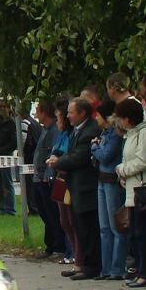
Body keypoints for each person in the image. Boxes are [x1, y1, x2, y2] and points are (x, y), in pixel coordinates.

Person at [49, 98, 102, 280]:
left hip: (85, 186)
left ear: (82, 113)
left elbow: (79, 157)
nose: (68, 116)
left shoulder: (90, 131)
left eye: (72, 112)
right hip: (75, 186)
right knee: (78, 226)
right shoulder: (77, 131)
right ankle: (82, 264)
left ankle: (91, 266)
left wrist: (58, 162)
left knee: (88, 228)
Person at [114, 98, 146, 286]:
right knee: (134, 234)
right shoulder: (131, 134)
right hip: (132, 189)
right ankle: (139, 270)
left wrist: (122, 170)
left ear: (128, 118)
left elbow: (144, 159)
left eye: (121, 118)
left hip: (143, 188)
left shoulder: (145, 132)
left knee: (143, 234)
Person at [91, 100, 124, 280]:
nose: (96, 118)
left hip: (112, 181)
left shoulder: (114, 135)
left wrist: (95, 146)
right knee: (104, 228)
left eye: (98, 115)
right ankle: (106, 268)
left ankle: (117, 268)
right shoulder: (104, 133)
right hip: (102, 180)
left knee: (115, 227)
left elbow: (105, 155)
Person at [30, 101, 66, 258]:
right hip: (39, 177)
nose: (36, 114)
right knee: (44, 213)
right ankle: (50, 244)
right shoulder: (44, 129)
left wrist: (49, 174)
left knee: (52, 213)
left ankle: (58, 245)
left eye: (38, 110)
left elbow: (53, 152)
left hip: (46, 178)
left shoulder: (53, 131)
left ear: (45, 112)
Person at [51, 97, 79, 271]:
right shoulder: (61, 135)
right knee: (64, 220)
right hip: (59, 179)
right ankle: (72, 251)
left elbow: (68, 155)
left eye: (59, 117)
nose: (58, 121)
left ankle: (76, 252)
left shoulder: (71, 135)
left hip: (67, 178)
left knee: (70, 218)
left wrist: (58, 159)